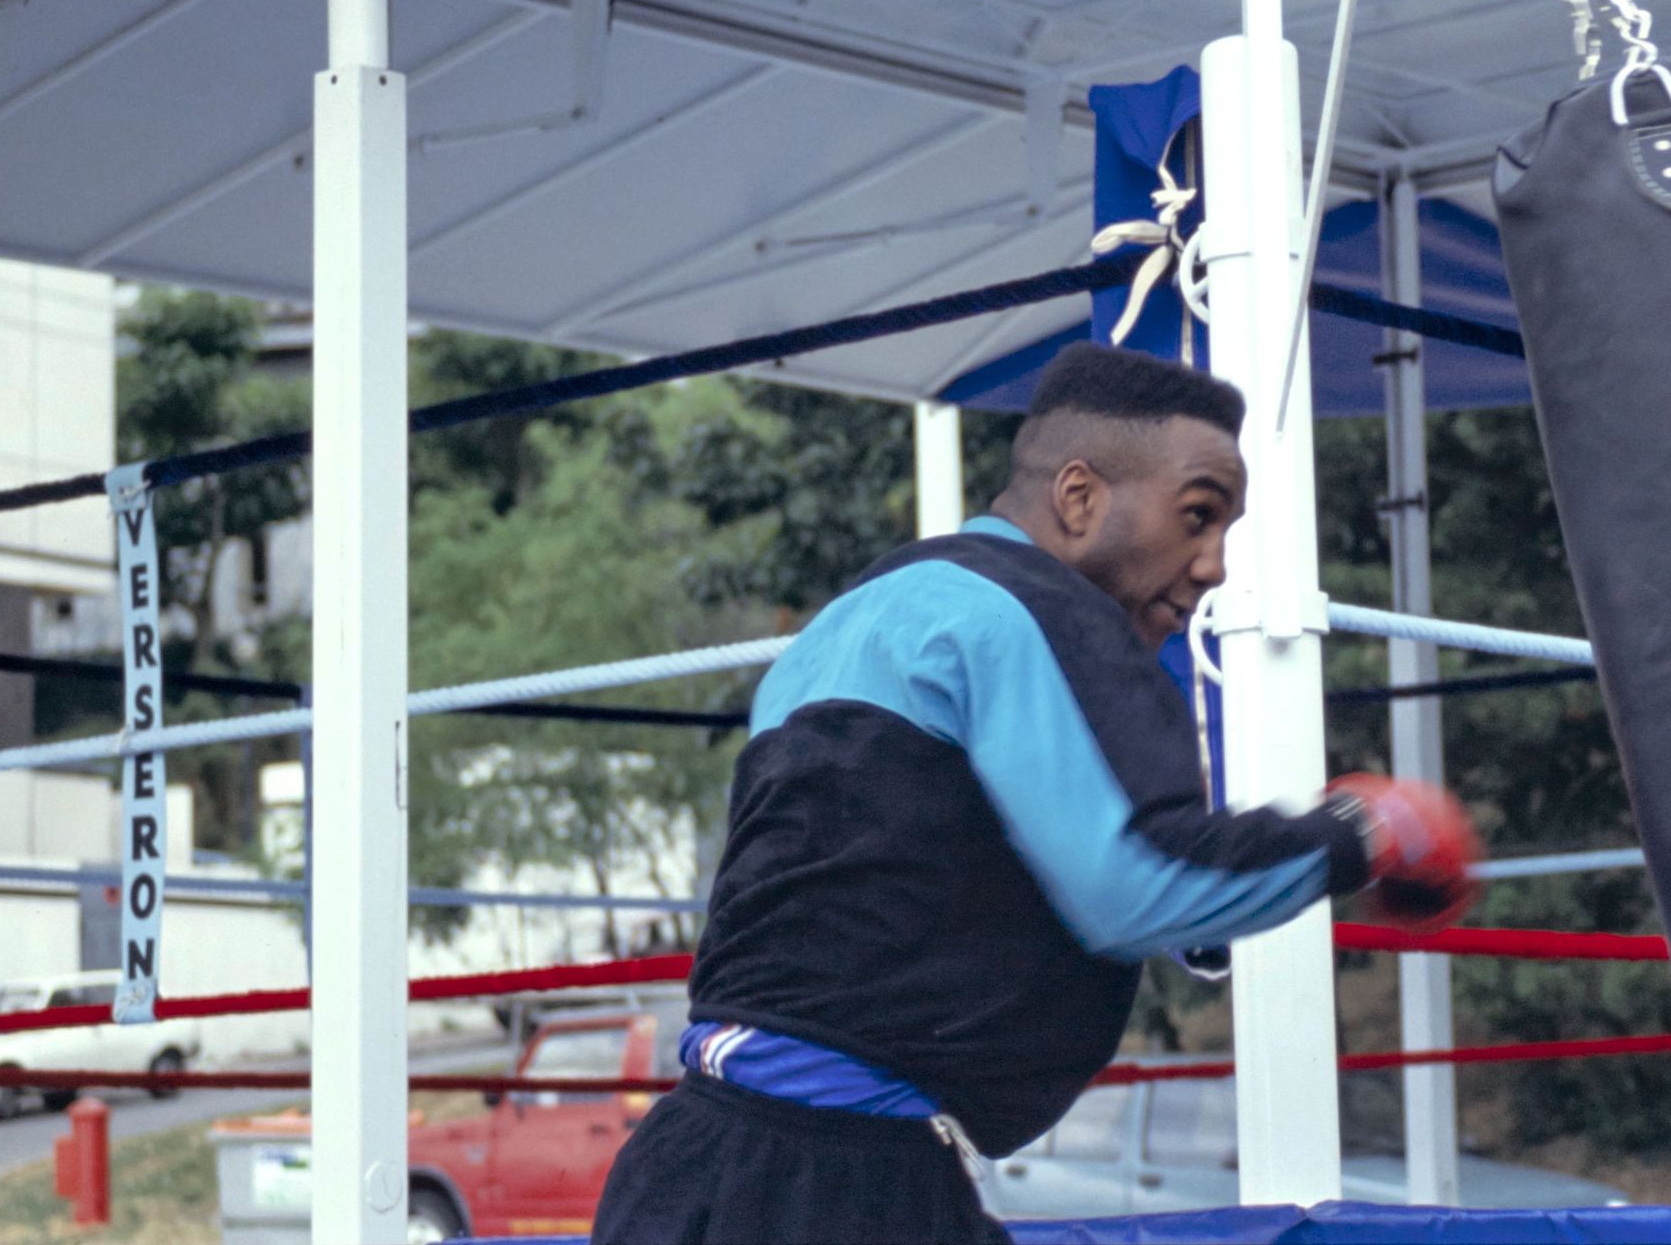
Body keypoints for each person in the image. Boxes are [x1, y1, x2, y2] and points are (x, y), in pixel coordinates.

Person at [592, 343, 1481, 1245]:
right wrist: (1366, 832)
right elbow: (1138, 887)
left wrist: (1212, 907)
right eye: (1199, 517)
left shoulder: (855, 616)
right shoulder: (1054, 618)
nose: (1213, 566)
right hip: (840, 1184)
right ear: (1080, 497)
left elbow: (909, 874)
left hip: (683, 1165)